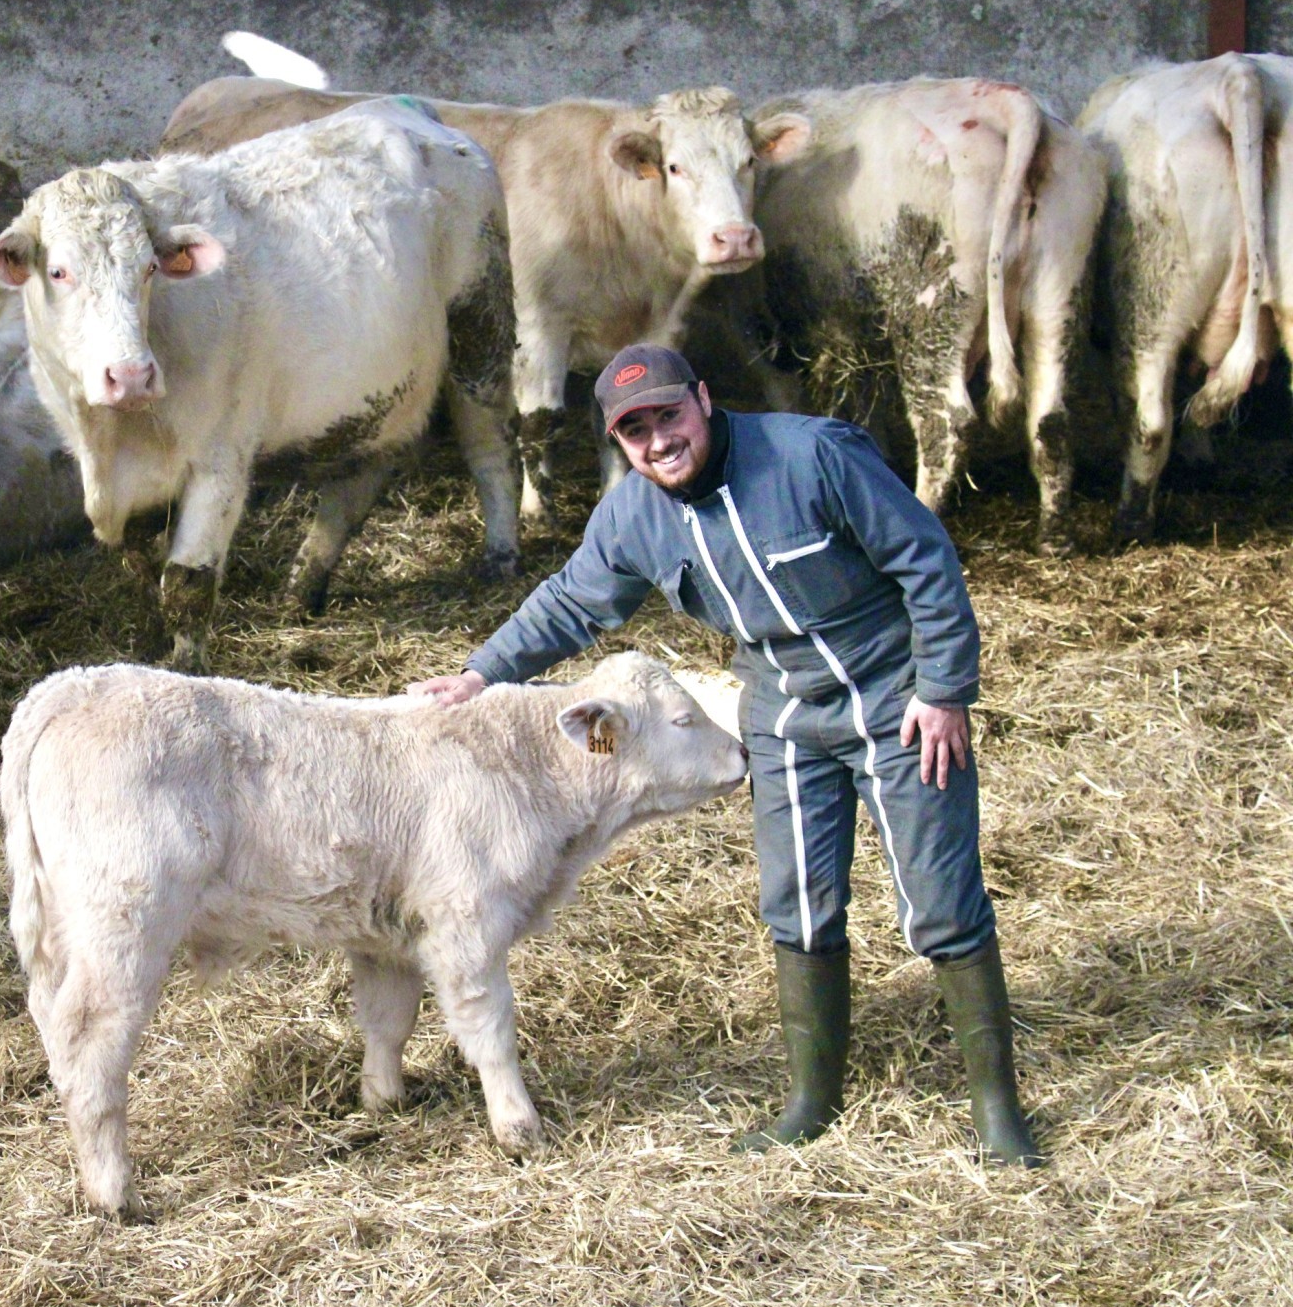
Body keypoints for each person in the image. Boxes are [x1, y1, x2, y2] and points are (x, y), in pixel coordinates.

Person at [411, 344, 1042, 1167]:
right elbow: (570, 599)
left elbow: (923, 557)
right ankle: (812, 1100)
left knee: (939, 895)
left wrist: (946, 687)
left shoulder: (813, 453)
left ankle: (998, 1108)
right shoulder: (634, 513)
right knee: (798, 901)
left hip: (891, 691)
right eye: (634, 430)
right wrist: (480, 673)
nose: (657, 440)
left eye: (667, 415)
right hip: (779, 707)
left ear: (704, 400)